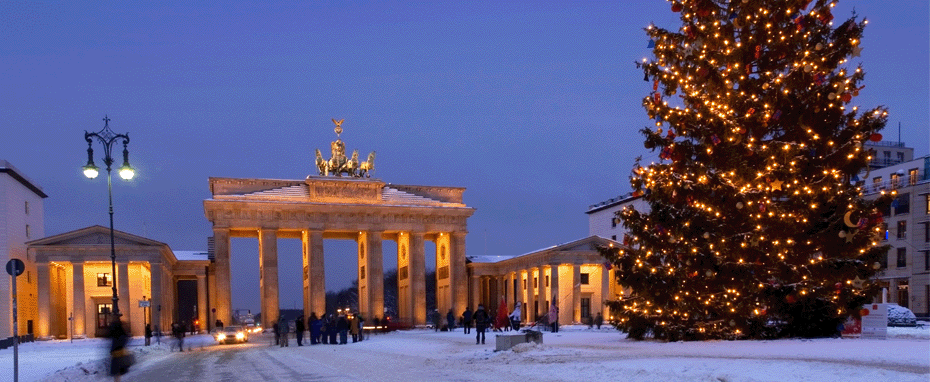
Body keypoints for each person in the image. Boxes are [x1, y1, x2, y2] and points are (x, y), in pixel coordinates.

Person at [109, 317, 132, 381]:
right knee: (119, 371)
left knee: (116, 371)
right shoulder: (122, 332)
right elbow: (125, 340)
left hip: (115, 353)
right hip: (121, 352)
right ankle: (118, 380)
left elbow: (110, 337)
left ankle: (117, 380)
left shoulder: (114, 331)